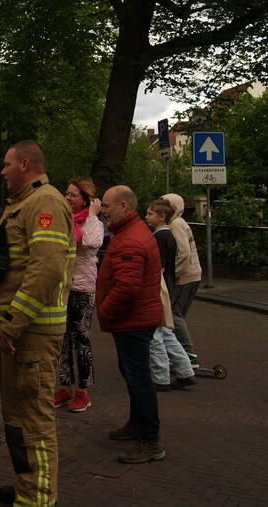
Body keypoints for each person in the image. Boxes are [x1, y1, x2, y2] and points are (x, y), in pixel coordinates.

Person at [0, 141, 74, 506]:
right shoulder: (24, 203)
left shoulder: (45, 203)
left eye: (7, 164)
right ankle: (28, 488)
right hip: (18, 332)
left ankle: (38, 499)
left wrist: (13, 323)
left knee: (33, 419)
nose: (2, 171)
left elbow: (46, 268)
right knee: (17, 415)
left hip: (30, 333)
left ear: (25, 165)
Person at [98, 185, 166, 464]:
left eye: (106, 206)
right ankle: (138, 425)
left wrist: (105, 310)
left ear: (123, 206)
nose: (103, 210)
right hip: (134, 319)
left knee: (138, 378)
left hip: (132, 321)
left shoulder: (130, 240)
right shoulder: (131, 232)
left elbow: (127, 288)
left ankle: (150, 440)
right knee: (132, 373)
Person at [54, 177, 104, 413]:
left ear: (85, 200)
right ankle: (65, 386)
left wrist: (92, 215)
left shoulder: (93, 223)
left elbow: (91, 242)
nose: (68, 197)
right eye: (67, 193)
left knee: (81, 339)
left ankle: (83, 391)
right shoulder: (64, 219)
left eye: (73, 194)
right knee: (62, 338)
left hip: (83, 287)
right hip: (63, 286)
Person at [145, 199, 196, 391]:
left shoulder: (159, 237)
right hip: (167, 285)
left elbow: (158, 265)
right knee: (165, 331)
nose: (146, 217)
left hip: (159, 286)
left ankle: (161, 377)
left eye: (150, 214)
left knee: (155, 333)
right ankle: (185, 370)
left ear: (161, 216)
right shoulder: (169, 235)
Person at [162, 193, 202, 366]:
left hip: (185, 276)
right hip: (192, 274)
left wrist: (174, 274)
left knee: (173, 314)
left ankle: (188, 353)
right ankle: (178, 353)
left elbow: (183, 253)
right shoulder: (180, 222)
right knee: (177, 315)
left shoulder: (176, 224)